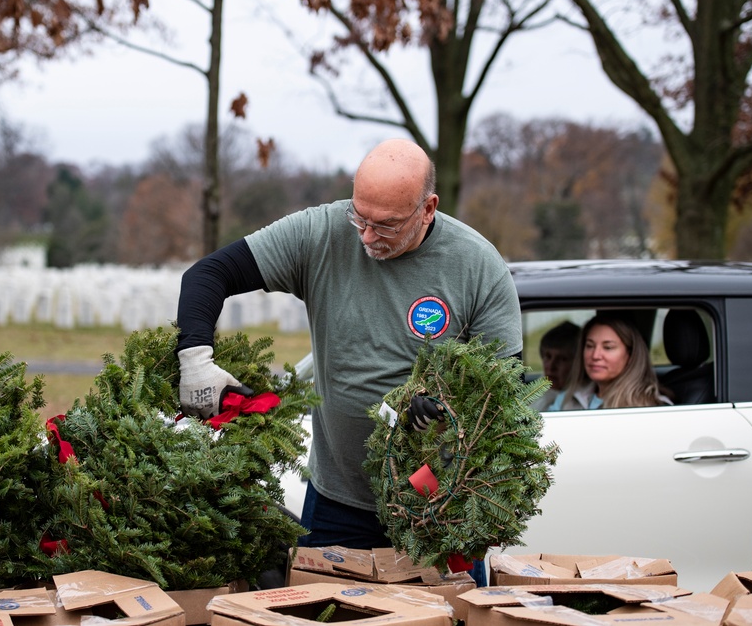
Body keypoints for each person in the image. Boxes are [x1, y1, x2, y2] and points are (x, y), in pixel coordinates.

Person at [175, 138, 522, 586]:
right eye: (360, 217)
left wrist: (449, 416)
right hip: (338, 502)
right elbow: (208, 274)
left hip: (436, 507)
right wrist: (196, 358)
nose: (367, 237)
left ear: (428, 208)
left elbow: (507, 395)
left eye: (387, 225)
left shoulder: (477, 266)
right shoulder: (321, 233)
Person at [547, 314, 673, 411]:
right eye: (590, 346)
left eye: (608, 347)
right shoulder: (568, 398)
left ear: (630, 355)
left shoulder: (651, 408)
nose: (595, 355)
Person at [530, 321, 581, 412]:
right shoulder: (536, 389)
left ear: (578, 364)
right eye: (548, 356)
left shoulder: (580, 402)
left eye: (562, 359)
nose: (551, 366)